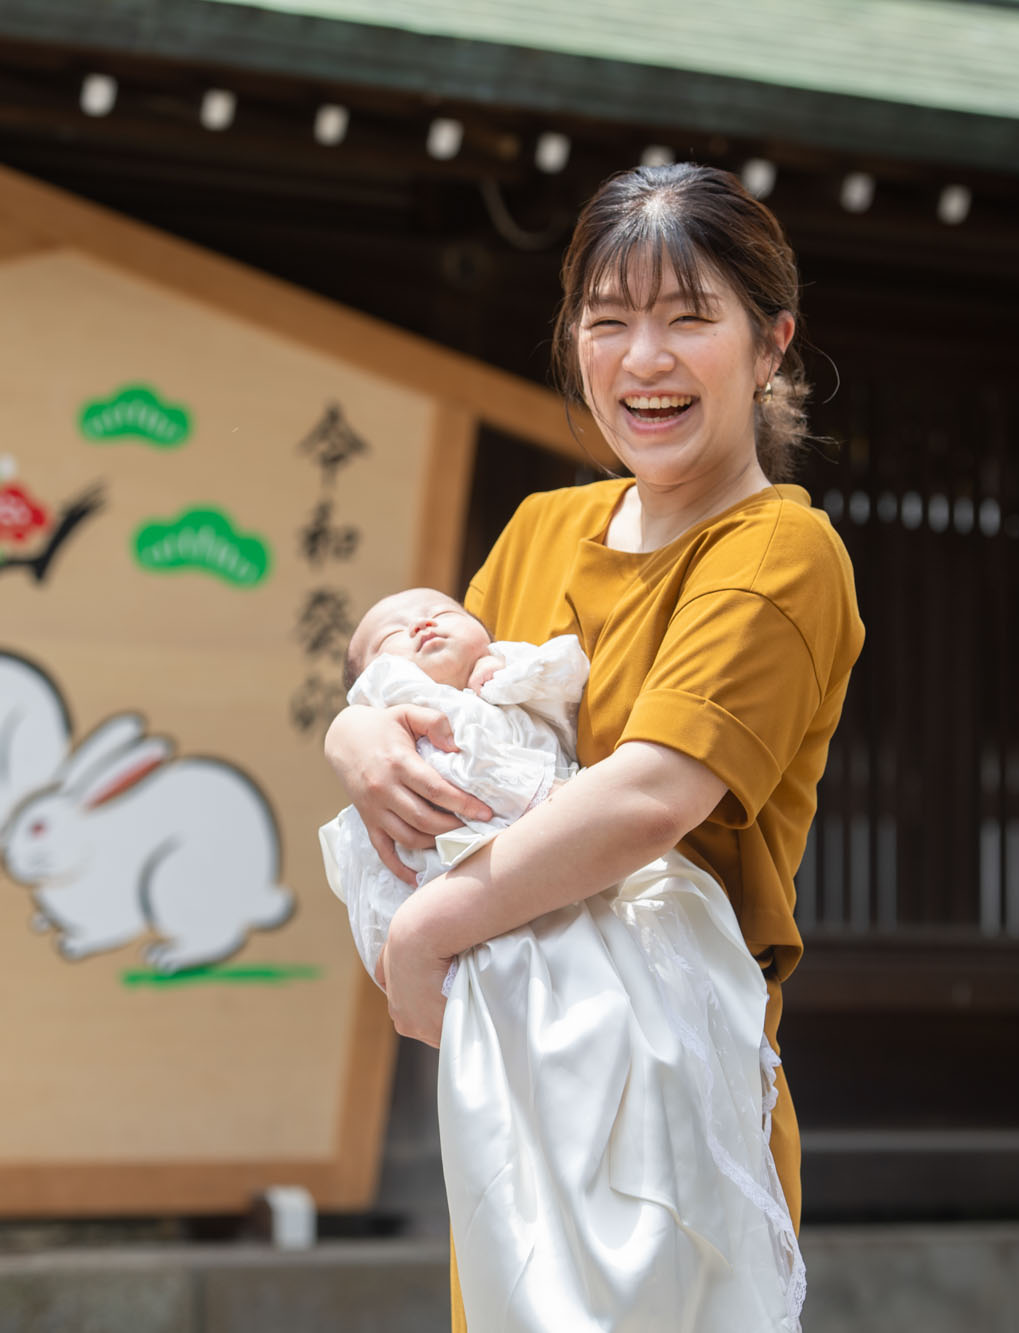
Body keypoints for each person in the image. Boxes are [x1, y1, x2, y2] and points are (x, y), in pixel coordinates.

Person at [323, 162, 863, 1330]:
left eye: (686, 317)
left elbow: (652, 795)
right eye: (606, 319)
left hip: (667, 1082)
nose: (642, 359)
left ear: (770, 344)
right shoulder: (539, 530)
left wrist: (430, 923)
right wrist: (356, 730)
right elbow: (435, 699)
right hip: (513, 1068)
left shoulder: (780, 553)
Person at [322, 588, 804, 1330]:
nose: (418, 621)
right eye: (388, 629)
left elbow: (575, 698)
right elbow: (447, 780)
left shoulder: (514, 667)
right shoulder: (396, 700)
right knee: (550, 1160)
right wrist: (354, 728)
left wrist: (505, 677)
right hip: (495, 920)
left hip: (586, 908)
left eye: (436, 608)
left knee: (645, 1095)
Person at [320, 587, 590, 984]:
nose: (421, 623)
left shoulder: (504, 687)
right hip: (462, 884)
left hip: (550, 874)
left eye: (443, 612)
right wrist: (548, 796)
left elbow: (568, 679)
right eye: (388, 636)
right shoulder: (404, 708)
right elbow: (464, 769)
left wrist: (506, 669)